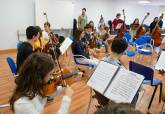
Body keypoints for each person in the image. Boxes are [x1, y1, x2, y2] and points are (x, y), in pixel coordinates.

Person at [94, 38, 130, 107]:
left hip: (100, 94)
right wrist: (125, 67)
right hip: (110, 97)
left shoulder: (102, 61)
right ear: (123, 52)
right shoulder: (120, 69)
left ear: (111, 47)